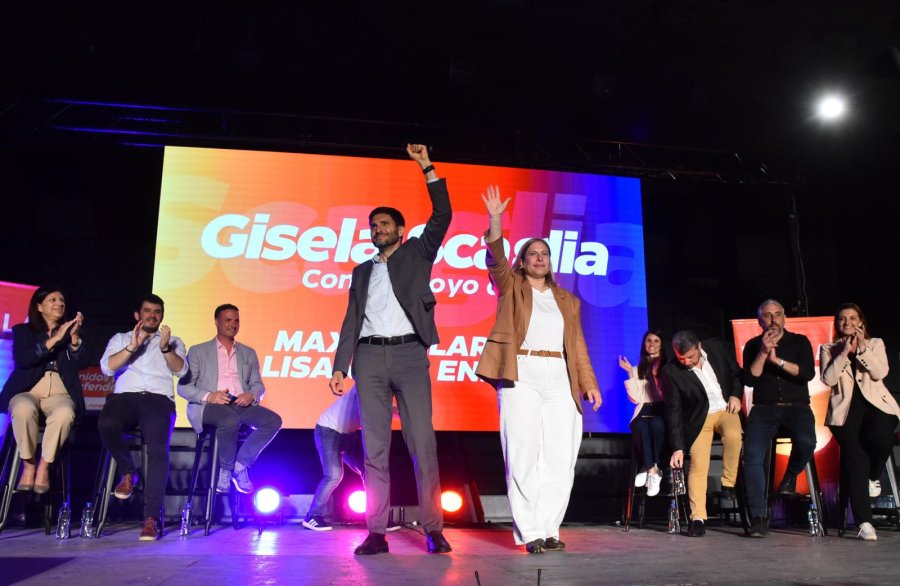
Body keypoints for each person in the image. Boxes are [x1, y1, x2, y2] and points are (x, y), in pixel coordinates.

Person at [330, 144, 452, 556]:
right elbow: (351, 319)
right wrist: (339, 366)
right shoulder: (362, 270)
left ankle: (433, 528)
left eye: (384, 224)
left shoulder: (417, 253)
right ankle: (377, 533)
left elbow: (443, 217)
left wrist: (427, 167)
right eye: (373, 225)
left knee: (422, 443)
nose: (377, 228)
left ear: (401, 230)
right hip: (368, 359)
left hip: (409, 355)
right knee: (374, 448)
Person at [475, 186, 602, 554]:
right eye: (533, 253)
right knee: (523, 453)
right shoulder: (512, 287)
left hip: (561, 378)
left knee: (561, 459)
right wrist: (495, 221)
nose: (540, 258)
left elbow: (577, 345)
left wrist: (588, 383)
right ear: (523, 261)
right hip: (522, 374)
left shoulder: (567, 300)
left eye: (545, 253)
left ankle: (549, 528)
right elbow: (496, 261)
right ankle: (529, 532)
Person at [98, 294, 188, 541]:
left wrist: (165, 349)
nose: (152, 315)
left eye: (157, 311)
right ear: (138, 315)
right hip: (126, 397)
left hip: (159, 400)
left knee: (158, 450)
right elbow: (107, 368)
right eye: (147, 311)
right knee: (107, 423)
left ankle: (150, 519)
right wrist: (132, 347)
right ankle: (128, 472)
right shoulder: (121, 338)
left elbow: (182, 371)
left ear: (162, 316)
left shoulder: (173, 341)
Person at [178, 304, 282, 494]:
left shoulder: (248, 352)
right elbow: (183, 387)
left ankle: (240, 465)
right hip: (209, 404)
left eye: (236, 320)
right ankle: (225, 469)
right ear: (216, 322)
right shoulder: (198, 351)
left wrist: (251, 395)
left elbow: (258, 385)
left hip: (238, 402)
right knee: (229, 420)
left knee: (273, 421)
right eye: (228, 320)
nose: (233, 324)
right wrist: (211, 396)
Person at [820, 303, 900, 541]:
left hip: (877, 406)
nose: (847, 323)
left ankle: (873, 476)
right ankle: (865, 523)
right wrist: (844, 352)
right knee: (855, 459)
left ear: (861, 321)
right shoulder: (829, 348)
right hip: (844, 413)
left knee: (880, 437)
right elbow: (828, 378)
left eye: (852, 318)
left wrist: (862, 348)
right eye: (842, 320)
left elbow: (880, 373)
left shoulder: (876, 343)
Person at [741, 299, 816, 538]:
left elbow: (807, 373)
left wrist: (778, 361)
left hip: (797, 406)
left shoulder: (799, 341)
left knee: (807, 442)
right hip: (764, 408)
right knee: (752, 455)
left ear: (784, 317)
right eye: (767, 316)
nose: (773, 320)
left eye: (777, 315)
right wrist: (764, 354)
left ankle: (790, 476)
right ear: (760, 321)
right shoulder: (753, 345)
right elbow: (750, 380)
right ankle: (759, 517)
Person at [0, 287, 85, 493]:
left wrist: (73, 338)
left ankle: (43, 467)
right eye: (52, 299)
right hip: (28, 388)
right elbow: (24, 359)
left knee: (65, 413)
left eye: (62, 300)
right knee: (22, 408)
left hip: (59, 392)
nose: (59, 303)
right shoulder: (23, 331)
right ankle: (28, 464)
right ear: (39, 306)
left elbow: (80, 363)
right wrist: (54, 339)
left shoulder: (70, 332)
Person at [663, 330, 743, 537]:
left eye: (690, 356)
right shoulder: (671, 372)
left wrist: (735, 395)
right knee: (698, 463)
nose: (687, 362)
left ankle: (728, 483)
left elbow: (736, 374)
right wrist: (678, 448)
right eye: (681, 358)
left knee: (734, 436)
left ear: (699, 347)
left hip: (725, 409)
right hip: (700, 419)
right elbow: (674, 412)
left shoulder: (716, 348)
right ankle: (697, 518)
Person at [301, 386, 364, 531]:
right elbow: (372, 410)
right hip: (329, 430)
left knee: (370, 471)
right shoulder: (367, 381)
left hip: (349, 433)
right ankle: (312, 516)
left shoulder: (388, 388)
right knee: (334, 475)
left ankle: (377, 517)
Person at [619, 330, 667, 497]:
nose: (651, 344)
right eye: (648, 340)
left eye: (656, 340)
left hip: (662, 409)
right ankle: (652, 470)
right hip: (644, 408)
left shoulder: (667, 367)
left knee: (657, 424)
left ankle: (646, 467)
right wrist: (630, 374)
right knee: (639, 425)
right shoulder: (637, 369)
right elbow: (635, 399)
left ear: (661, 344)